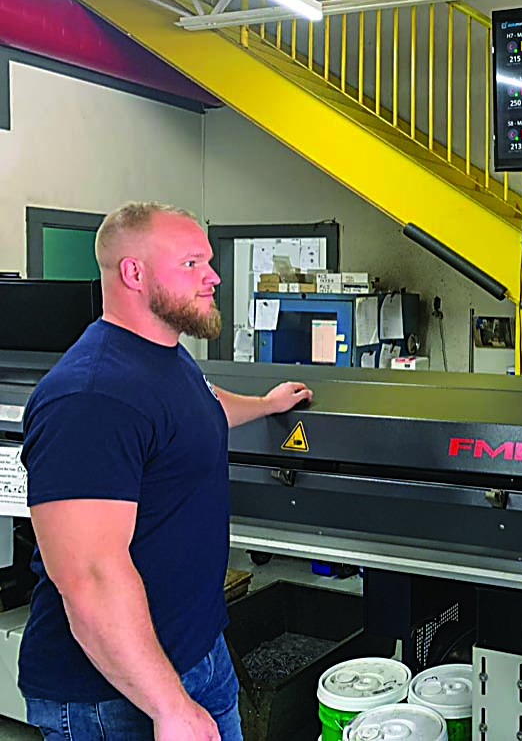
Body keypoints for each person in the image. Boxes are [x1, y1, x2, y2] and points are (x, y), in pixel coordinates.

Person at [19, 202, 313, 741]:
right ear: (134, 273)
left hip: (196, 651)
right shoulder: (90, 396)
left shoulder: (165, 355)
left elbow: (202, 407)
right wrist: (169, 706)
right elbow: (89, 578)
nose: (214, 276)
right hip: (115, 695)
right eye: (192, 264)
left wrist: (266, 405)